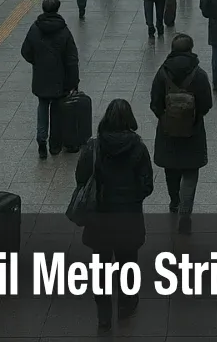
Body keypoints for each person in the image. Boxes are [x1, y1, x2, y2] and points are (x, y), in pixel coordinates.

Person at [76, 99, 154, 331]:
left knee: (101, 266)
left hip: (100, 217)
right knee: (127, 262)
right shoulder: (138, 148)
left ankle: (103, 315)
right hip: (128, 217)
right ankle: (126, 304)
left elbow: (81, 178)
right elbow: (147, 185)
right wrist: (132, 198)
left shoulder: (94, 146)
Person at [150, 33, 214, 234]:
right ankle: (185, 212)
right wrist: (194, 117)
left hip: (168, 131)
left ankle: (174, 202)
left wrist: (165, 117)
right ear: (191, 49)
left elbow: (154, 103)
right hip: (192, 132)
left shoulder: (162, 73)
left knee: (171, 169)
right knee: (190, 171)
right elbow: (207, 104)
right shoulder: (199, 74)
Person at [20, 0, 81, 158]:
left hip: (41, 77)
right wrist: (74, 82)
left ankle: (41, 140)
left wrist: (37, 62)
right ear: (57, 9)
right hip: (60, 79)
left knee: (42, 106)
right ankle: (55, 145)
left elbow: (25, 51)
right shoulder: (64, 31)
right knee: (56, 109)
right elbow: (72, 60)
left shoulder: (35, 28)